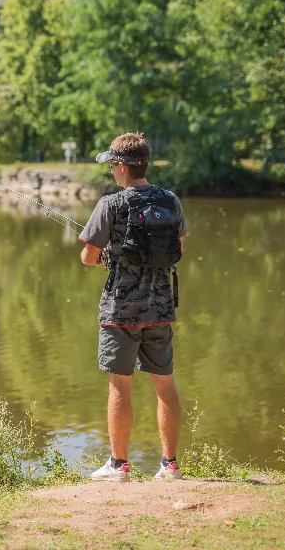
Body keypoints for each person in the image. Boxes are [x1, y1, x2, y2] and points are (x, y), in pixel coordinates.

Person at [78, 132, 188, 482]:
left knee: (119, 385)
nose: (111, 170)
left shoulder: (110, 205)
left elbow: (87, 257)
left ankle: (118, 465)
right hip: (161, 308)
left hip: (121, 311)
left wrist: (108, 257)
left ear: (123, 165)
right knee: (165, 384)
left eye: (112, 164)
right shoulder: (170, 201)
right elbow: (178, 250)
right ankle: (169, 466)